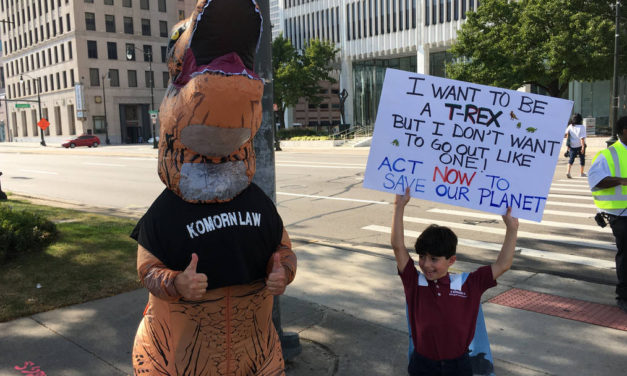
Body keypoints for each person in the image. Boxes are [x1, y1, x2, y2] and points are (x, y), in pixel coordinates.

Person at [130, 1, 297, 374]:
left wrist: (282, 271)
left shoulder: (258, 204)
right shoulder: (166, 211)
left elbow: (283, 250)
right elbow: (147, 268)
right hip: (178, 359)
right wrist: (176, 283)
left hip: (256, 354)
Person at [391, 188, 519, 376]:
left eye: (434, 259)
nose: (426, 265)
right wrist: (398, 206)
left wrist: (512, 229)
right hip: (423, 365)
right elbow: (397, 246)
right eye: (422, 257)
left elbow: (503, 264)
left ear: (451, 260)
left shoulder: (469, 284)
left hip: (458, 366)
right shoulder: (414, 281)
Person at [588, 115, 627, 314]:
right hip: (619, 214)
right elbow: (595, 180)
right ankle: (623, 296)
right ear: (622, 132)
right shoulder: (608, 154)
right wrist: (620, 180)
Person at [565, 113, 587, 178]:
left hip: (572, 145)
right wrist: (583, 147)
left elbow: (567, 135)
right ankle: (582, 173)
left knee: (571, 159)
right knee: (582, 159)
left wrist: (568, 147)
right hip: (580, 145)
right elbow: (582, 138)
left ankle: (568, 172)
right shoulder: (582, 127)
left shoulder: (570, 126)